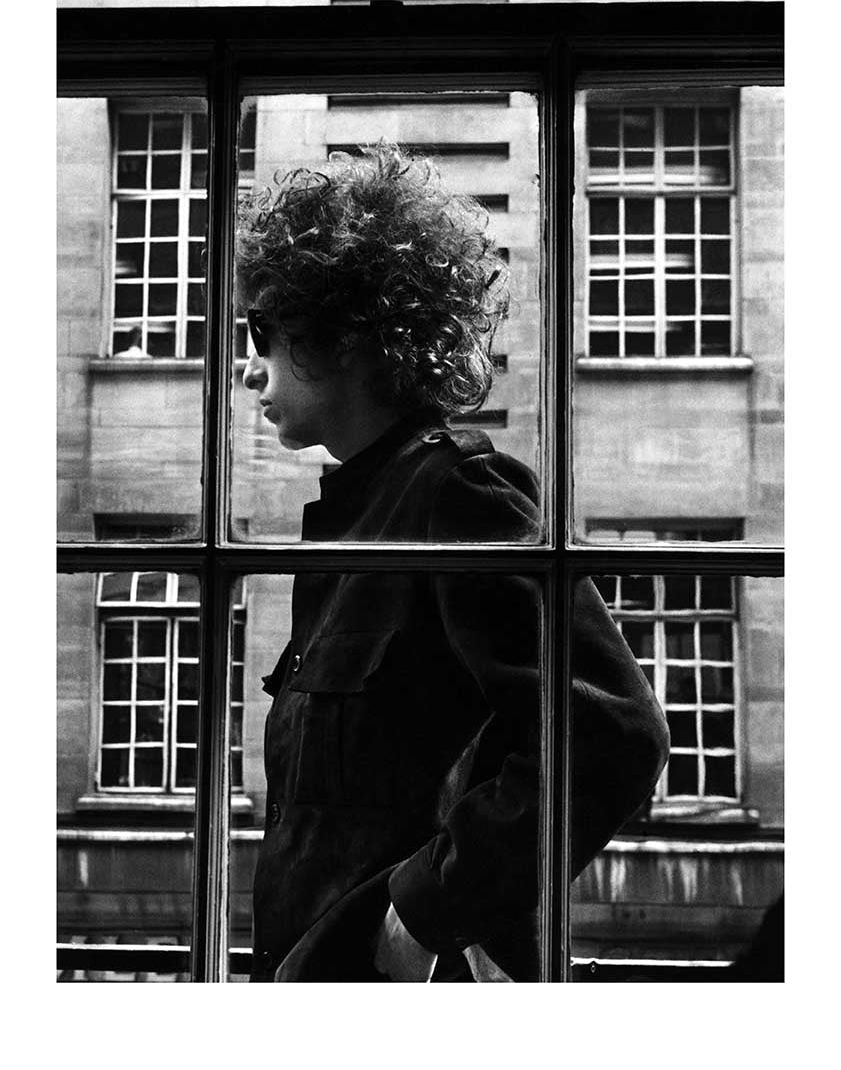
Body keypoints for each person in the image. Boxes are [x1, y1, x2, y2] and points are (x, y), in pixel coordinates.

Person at [237, 142, 669, 982]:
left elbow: (610, 730)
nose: (250, 366)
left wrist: (421, 915)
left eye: (264, 329)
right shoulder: (353, 517)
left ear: (348, 331)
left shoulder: (457, 490)